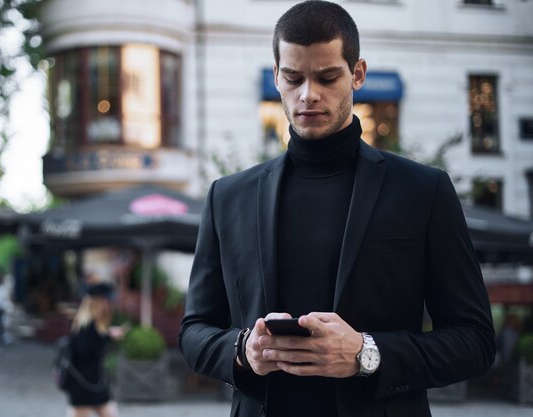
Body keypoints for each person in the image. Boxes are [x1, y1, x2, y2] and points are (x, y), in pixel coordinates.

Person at [179, 2, 496, 416]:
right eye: (293, 78)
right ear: (276, 78)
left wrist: (367, 353)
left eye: (327, 77)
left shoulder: (424, 190)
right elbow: (194, 332)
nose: (308, 94)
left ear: (357, 74)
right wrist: (242, 348)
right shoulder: (228, 196)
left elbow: (475, 341)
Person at [66, 282, 125, 417]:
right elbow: (87, 353)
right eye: (107, 301)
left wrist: (108, 336)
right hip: (83, 388)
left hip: (95, 386)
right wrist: (106, 337)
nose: (109, 305)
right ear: (98, 303)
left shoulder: (92, 326)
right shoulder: (86, 327)